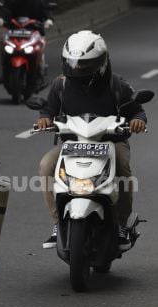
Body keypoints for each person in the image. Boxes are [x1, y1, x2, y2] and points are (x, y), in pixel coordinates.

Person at [36, 30, 147, 250]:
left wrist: (137, 121)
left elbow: (137, 111)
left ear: (100, 62)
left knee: (123, 168)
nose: (78, 68)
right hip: (72, 145)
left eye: (85, 65)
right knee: (46, 165)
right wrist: (44, 119)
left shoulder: (116, 85)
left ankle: (122, 224)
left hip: (112, 142)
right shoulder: (61, 85)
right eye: (74, 63)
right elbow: (47, 110)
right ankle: (58, 223)